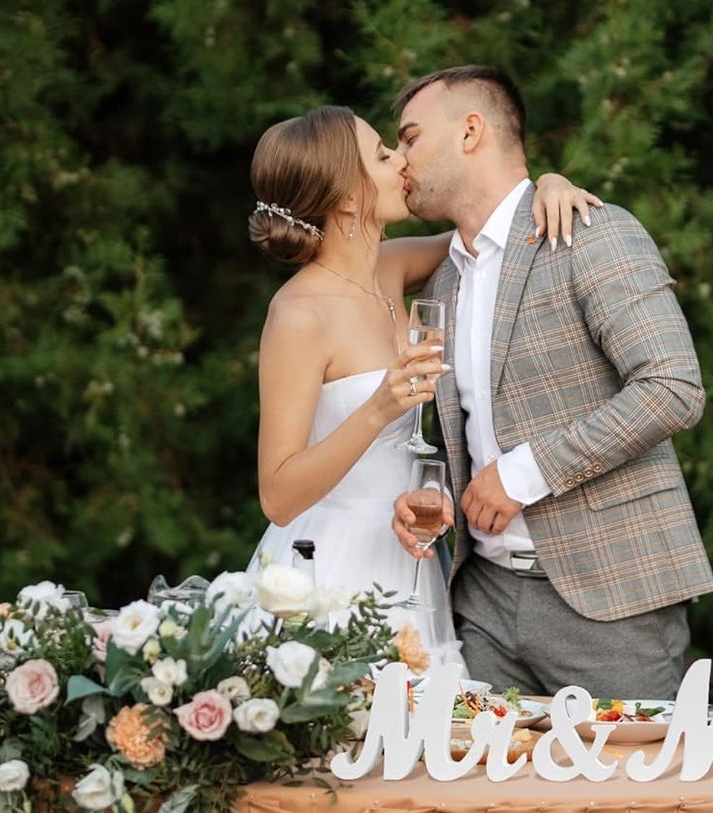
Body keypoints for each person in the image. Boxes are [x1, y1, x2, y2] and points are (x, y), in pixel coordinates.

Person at [391, 66, 713, 700]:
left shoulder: (592, 233)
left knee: (636, 795)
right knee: (479, 796)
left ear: (470, 131)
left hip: (611, 601)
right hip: (480, 603)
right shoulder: (444, 281)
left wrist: (522, 474)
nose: (400, 158)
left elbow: (674, 385)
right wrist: (432, 494)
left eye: (409, 137)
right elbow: (470, 432)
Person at [246, 105, 595, 667]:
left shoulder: (391, 268)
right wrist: (377, 408)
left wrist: (548, 185)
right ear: (349, 198)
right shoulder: (298, 314)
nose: (401, 160)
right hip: (331, 565)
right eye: (383, 155)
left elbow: (493, 226)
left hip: (408, 549)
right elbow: (278, 496)